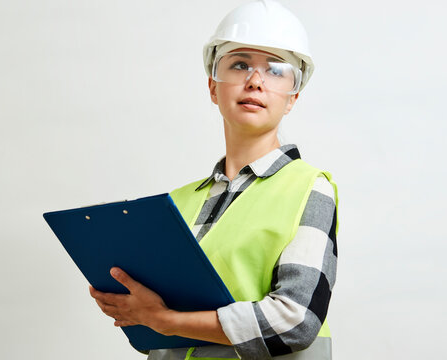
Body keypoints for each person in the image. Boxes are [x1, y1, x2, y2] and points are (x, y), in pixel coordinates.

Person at [89, 1, 339, 359]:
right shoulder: (176, 203)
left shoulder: (309, 187)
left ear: (292, 97)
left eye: (276, 70)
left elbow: (295, 321)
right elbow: (155, 321)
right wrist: (131, 304)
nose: (255, 80)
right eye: (240, 65)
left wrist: (169, 321)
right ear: (212, 87)